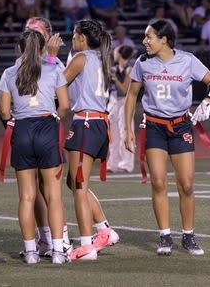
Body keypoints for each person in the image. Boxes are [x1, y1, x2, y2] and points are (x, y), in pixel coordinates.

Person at [124, 20, 210, 256]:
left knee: (186, 185)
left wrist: (208, 100)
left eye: (149, 37)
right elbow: (131, 95)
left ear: (164, 39)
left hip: (180, 126)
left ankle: (188, 236)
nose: (145, 41)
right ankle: (165, 236)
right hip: (154, 126)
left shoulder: (187, 60)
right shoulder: (142, 63)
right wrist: (127, 129)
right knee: (158, 182)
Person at [0, 28, 70, 264]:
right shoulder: (54, 68)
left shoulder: (9, 73)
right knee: (54, 196)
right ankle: (58, 251)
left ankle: (30, 252)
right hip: (46, 127)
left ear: (19, 49)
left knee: (27, 197)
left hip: (22, 130)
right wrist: (56, 118)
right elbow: (65, 105)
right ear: (42, 48)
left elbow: (5, 112)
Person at [63, 19, 120, 261]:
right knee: (73, 181)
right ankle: (104, 229)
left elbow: (57, 83)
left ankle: (87, 245)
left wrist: (49, 59)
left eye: (75, 35)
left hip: (85, 122)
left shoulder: (81, 58)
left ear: (83, 38)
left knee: (79, 185)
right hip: (98, 123)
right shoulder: (101, 58)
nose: (72, 40)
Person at [107, 45, 134, 173]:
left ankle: (126, 164)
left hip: (124, 103)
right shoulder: (112, 69)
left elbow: (124, 89)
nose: (114, 53)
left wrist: (114, 79)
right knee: (113, 136)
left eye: (116, 51)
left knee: (125, 133)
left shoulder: (130, 69)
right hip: (112, 103)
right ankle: (112, 163)